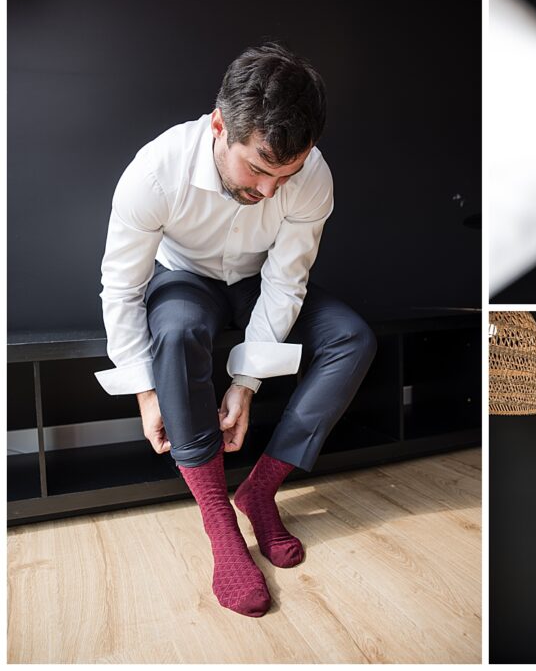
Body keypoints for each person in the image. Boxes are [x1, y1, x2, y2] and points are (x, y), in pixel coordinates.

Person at [95, 43, 377, 617]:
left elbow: (286, 280)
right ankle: (220, 525)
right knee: (174, 333)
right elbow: (122, 288)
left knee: (354, 338)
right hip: (185, 279)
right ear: (220, 125)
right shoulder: (155, 171)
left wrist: (245, 384)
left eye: (287, 173)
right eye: (258, 168)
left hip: (257, 279)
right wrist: (146, 393)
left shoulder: (313, 174)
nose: (270, 190)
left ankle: (261, 490)